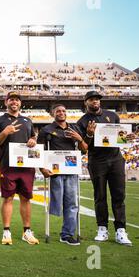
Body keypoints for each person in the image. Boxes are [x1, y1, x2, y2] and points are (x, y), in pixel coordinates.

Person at [77, 91, 133, 246]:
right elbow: (83, 148)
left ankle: (120, 230)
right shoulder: (82, 121)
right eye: (92, 99)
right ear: (86, 102)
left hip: (115, 158)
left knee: (119, 195)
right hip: (97, 161)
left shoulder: (112, 115)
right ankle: (102, 228)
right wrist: (88, 134)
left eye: (97, 99)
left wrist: (126, 138)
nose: (95, 101)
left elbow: (119, 137)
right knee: (100, 196)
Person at [0, 91, 40, 245]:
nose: (14, 102)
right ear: (6, 102)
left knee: (26, 198)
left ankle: (27, 231)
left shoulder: (27, 120)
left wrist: (33, 140)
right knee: (8, 198)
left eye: (17, 100)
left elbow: (32, 137)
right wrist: (5, 132)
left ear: (20, 103)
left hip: (26, 165)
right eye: (11, 99)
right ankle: (6, 231)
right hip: (8, 165)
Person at [38, 104, 86, 246]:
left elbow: (84, 150)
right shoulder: (47, 130)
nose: (61, 113)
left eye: (63, 111)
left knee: (72, 204)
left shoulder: (75, 129)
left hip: (71, 172)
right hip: (55, 172)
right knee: (57, 203)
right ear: (53, 113)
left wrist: (79, 139)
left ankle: (67, 234)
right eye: (58, 111)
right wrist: (42, 169)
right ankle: (62, 231)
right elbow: (39, 151)